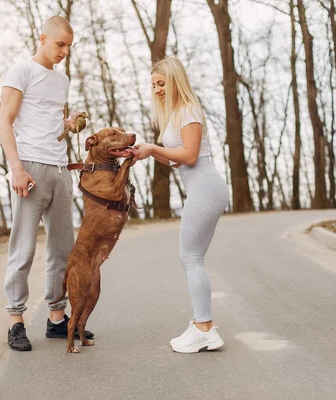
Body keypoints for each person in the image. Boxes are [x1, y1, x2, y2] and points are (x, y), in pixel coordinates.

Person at [0, 15, 93, 351]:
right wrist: (16, 169)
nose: (64, 51)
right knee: (23, 247)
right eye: (59, 44)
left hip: (59, 169)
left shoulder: (62, 80)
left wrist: (68, 123)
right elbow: (5, 122)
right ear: (42, 38)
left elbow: (52, 122)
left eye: (68, 46)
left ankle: (56, 317)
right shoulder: (20, 71)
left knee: (62, 249)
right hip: (30, 168)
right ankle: (16, 321)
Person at [134, 56, 229, 353]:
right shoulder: (175, 114)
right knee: (190, 258)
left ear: (175, 81)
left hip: (206, 188)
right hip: (200, 188)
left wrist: (152, 147)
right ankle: (204, 327)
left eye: (161, 83)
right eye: (152, 84)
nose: (156, 90)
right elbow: (177, 161)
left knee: (191, 259)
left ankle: (205, 329)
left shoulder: (188, 110)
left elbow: (189, 156)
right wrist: (149, 152)